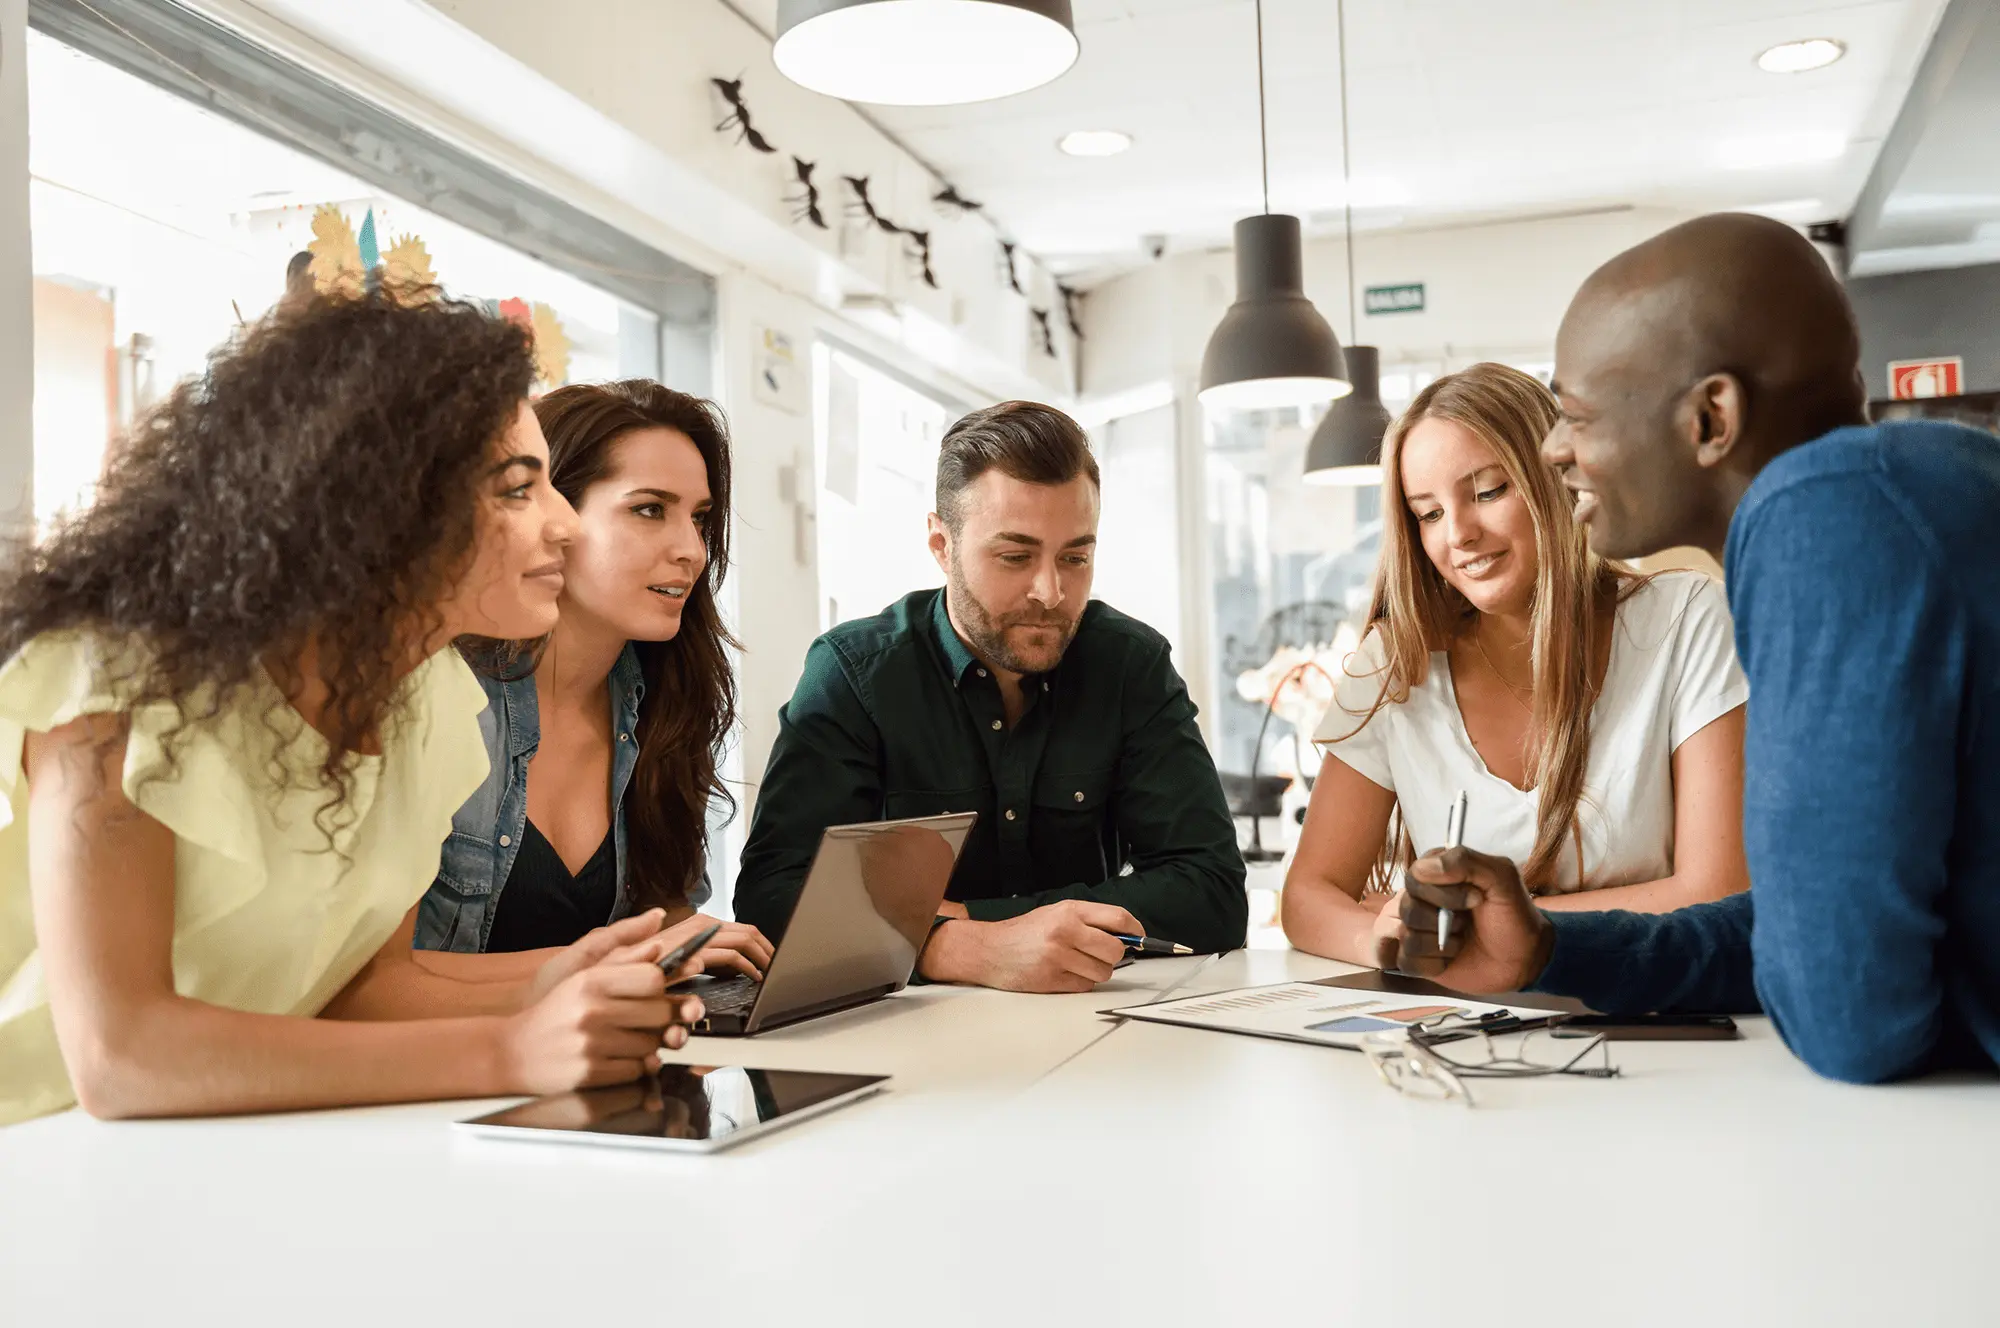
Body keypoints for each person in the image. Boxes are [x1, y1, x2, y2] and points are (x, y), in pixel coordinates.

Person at [0, 291, 702, 1126]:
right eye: (518, 490)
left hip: (239, 1147)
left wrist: (560, 977)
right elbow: (121, 1057)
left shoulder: (432, 701)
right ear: (383, 506)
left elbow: (366, 988)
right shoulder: (111, 679)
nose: (561, 525)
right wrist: (510, 1049)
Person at [1385, 212, 2000, 1084]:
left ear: (1712, 417)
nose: (1555, 451)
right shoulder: (1917, 479)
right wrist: (1549, 947)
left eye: (1578, 414)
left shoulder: (1823, 514)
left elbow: (1851, 1018)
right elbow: (1804, 924)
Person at [734, 400, 1246, 993]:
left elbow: (1213, 893)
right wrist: (956, 947)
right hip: (909, 1049)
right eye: (1015, 556)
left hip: (1092, 1035)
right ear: (941, 545)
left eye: (1076, 557)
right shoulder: (856, 674)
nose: (1051, 591)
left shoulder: (1130, 665)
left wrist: (974, 918)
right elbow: (773, 898)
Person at [1283, 363, 1749, 970]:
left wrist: (1493, 925)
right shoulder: (1394, 664)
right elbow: (1308, 896)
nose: (1459, 534)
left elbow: (1719, 892)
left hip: (1655, 1017)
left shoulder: (1689, 620)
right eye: (1428, 513)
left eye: (1487, 491)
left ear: (1553, 477)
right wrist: (1374, 937)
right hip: (1466, 1030)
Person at [414, 381, 770, 980]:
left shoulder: (665, 698)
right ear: (552, 515)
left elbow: (661, 914)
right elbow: (367, 987)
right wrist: (623, 962)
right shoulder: (440, 697)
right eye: (650, 509)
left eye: (700, 518)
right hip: (438, 1068)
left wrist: (693, 944)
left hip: (590, 1059)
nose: (692, 550)